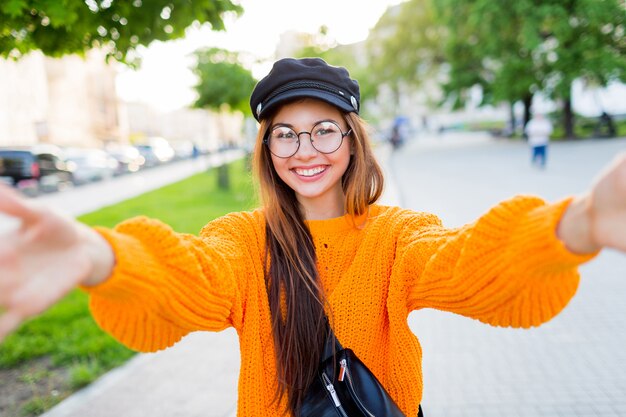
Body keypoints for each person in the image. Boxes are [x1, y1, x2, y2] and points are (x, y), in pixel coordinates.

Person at [1, 57, 626, 417]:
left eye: (325, 129)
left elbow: (467, 267)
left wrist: (575, 224)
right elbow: (189, 278)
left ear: (353, 140)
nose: (306, 150)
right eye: (286, 132)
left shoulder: (396, 235)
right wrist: (100, 255)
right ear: (266, 147)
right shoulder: (242, 240)